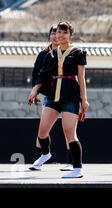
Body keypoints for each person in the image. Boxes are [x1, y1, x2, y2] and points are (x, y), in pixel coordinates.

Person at [29, 21, 89, 178]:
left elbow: (81, 78)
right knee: (42, 131)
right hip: (52, 95)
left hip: (70, 94)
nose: (60, 35)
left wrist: (84, 99)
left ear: (70, 35)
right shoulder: (50, 54)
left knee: (69, 132)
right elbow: (42, 75)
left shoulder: (78, 53)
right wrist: (35, 90)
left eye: (64, 32)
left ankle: (77, 168)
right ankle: (45, 153)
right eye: (58, 32)